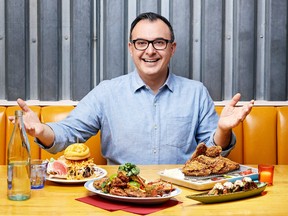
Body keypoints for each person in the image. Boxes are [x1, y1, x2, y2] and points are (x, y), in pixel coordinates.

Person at [10, 12, 254, 165]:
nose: (150, 51)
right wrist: (41, 130)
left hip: (182, 196)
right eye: (141, 43)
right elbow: (68, 133)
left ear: (172, 48)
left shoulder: (196, 92)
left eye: (159, 42)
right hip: (120, 194)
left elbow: (213, 154)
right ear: (130, 48)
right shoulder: (107, 92)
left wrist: (222, 129)